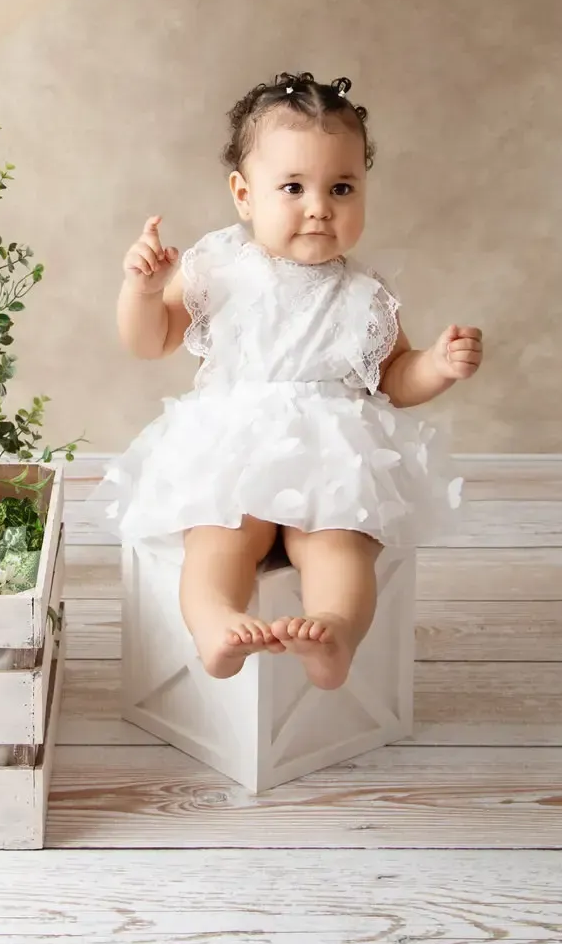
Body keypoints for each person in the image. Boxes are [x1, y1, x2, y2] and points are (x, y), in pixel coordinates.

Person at [101, 71, 482, 691]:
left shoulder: (364, 293)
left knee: (339, 544)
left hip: (332, 447)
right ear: (244, 195)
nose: (318, 207)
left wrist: (435, 366)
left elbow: (392, 376)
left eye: (341, 187)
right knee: (220, 541)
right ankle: (216, 626)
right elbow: (151, 341)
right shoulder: (216, 269)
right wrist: (140, 291)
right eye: (293, 187)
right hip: (231, 443)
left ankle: (334, 632)